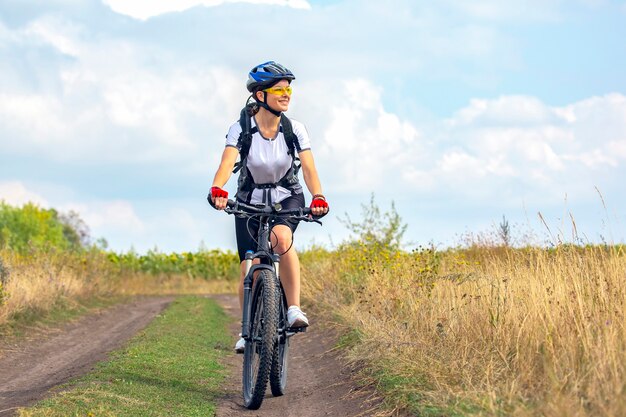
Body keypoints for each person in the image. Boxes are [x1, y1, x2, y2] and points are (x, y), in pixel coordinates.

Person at [208, 61, 329, 353]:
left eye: (289, 89)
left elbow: (309, 169)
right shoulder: (241, 129)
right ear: (260, 95)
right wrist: (218, 189)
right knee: (249, 265)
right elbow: (227, 163)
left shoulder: (295, 130)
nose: (286, 94)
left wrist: (318, 196)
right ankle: (246, 329)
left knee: (282, 240)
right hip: (249, 200)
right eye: (279, 89)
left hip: (288, 197)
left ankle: (293, 309)